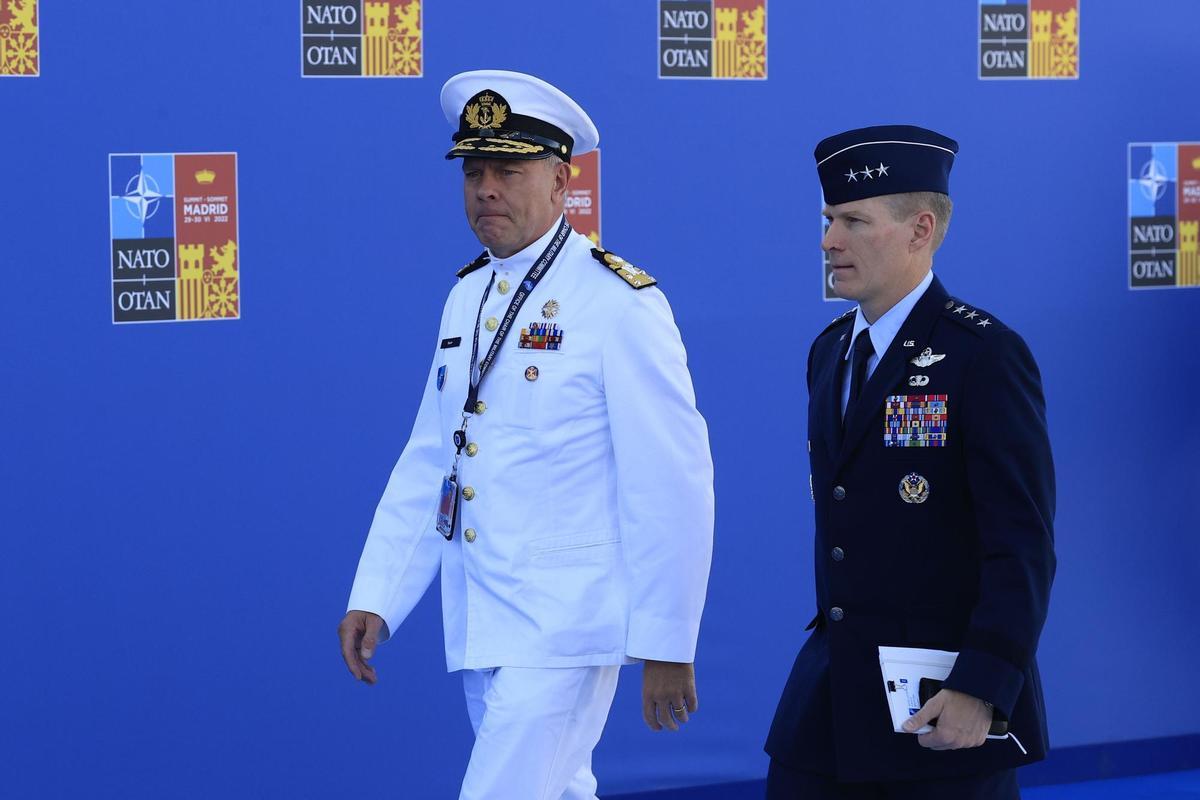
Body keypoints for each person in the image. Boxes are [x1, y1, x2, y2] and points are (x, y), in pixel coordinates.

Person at [336, 70, 714, 800]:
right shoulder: (465, 294)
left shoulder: (619, 303)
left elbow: (672, 482)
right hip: (483, 615)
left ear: (562, 181)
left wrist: (668, 639)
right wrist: (378, 592)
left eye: (508, 170)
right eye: (475, 172)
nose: (486, 190)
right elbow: (432, 458)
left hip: (569, 625)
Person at [765, 125, 1056, 799]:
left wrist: (981, 685)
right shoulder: (828, 351)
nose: (828, 241)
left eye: (854, 221)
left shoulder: (983, 356)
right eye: (829, 219)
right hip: (830, 702)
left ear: (920, 229)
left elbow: (1022, 547)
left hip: (942, 714)